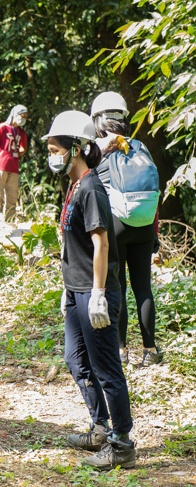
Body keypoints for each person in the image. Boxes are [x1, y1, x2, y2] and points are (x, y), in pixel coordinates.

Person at [44, 110, 137, 470]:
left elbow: (101, 243)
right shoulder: (74, 186)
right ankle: (99, 427)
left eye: (55, 148)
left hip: (94, 293)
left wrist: (98, 292)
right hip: (76, 290)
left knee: (106, 368)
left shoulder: (92, 187)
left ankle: (122, 443)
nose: (52, 155)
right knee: (76, 360)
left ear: (77, 148)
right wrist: (68, 289)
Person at [91, 91, 161, 368]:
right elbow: (154, 189)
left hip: (116, 223)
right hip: (144, 224)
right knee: (143, 287)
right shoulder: (139, 146)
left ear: (98, 119)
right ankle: (151, 350)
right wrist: (154, 232)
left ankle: (120, 352)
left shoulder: (95, 149)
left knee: (116, 285)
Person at [0, 105, 29, 222]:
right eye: (22, 116)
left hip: (14, 168)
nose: (24, 119)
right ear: (14, 115)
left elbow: (23, 148)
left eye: (26, 117)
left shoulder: (21, 132)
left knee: (12, 196)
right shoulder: (2, 128)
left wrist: (15, 154)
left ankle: (8, 222)